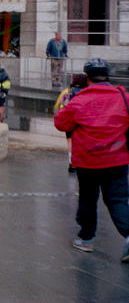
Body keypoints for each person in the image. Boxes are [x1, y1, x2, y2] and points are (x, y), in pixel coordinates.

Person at [54, 58, 129, 261]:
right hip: (118, 158)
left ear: (87, 78)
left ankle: (86, 239)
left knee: (88, 199)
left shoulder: (79, 100)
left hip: (89, 161)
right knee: (118, 199)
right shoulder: (123, 96)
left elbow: (60, 123)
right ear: (108, 76)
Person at [54, 73, 88, 173]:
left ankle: (71, 163)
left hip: (69, 120)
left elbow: (58, 105)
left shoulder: (67, 92)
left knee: (70, 141)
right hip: (82, 120)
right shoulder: (86, 92)